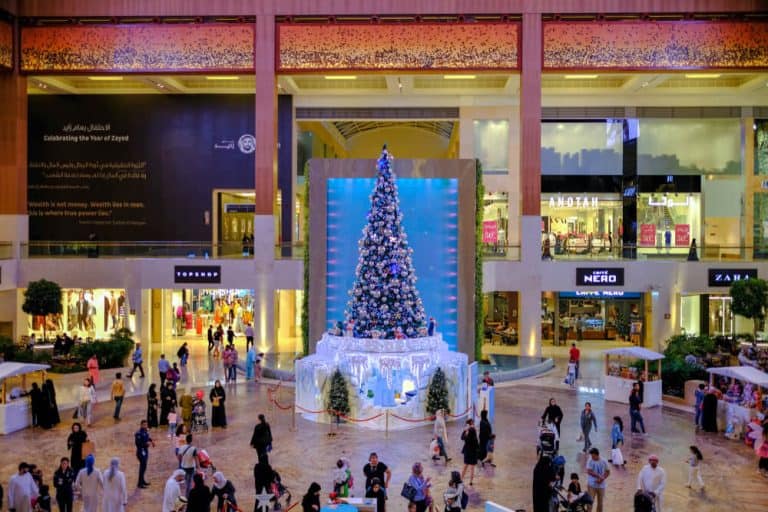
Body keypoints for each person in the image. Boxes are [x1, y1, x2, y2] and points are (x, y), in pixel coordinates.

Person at [585, 448, 609, 512]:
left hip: (601, 485)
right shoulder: (590, 460)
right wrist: (598, 476)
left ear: (597, 455)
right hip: (591, 484)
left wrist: (602, 479)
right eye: (591, 456)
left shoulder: (604, 461)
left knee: (600, 504)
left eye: (593, 456)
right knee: (590, 502)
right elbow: (589, 471)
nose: (592, 457)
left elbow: (608, 472)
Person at [134, 419, 154, 488]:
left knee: (144, 467)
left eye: (146, 424)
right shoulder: (138, 433)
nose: (146, 426)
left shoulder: (146, 431)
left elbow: (148, 438)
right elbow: (138, 444)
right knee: (142, 468)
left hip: (145, 451)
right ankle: (139, 483)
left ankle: (142, 481)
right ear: (141, 425)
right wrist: (146, 444)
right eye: (144, 425)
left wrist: (151, 441)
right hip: (141, 452)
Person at [178, 434, 200, 498]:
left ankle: (186, 495)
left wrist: (181, 461)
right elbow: (196, 459)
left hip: (183, 467)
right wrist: (198, 468)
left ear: (186, 440)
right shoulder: (193, 449)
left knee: (186, 482)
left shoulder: (182, 447)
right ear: (191, 440)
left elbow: (179, 456)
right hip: (191, 468)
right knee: (189, 483)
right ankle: (188, 497)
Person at [460, 418, 479, 486]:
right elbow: (476, 442)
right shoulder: (473, 430)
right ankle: (471, 482)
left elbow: (462, 438)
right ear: (472, 423)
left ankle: (461, 479)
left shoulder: (467, 431)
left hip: (467, 450)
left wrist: (464, 430)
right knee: (472, 467)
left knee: (465, 466)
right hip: (473, 451)